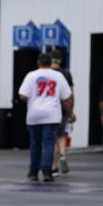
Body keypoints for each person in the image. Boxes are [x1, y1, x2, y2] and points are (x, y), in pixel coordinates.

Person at [18, 53, 73, 182]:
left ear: (38, 63)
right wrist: (70, 113)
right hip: (52, 114)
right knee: (49, 143)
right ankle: (47, 171)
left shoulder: (31, 75)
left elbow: (23, 96)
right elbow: (67, 98)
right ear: (50, 63)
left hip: (34, 114)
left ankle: (33, 172)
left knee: (35, 143)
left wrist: (34, 99)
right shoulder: (58, 76)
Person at [48, 49, 75, 176]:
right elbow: (70, 95)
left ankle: (53, 167)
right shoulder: (66, 74)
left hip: (48, 108)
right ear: (61, 60)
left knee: (52, 139)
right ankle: (63, 156)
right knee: (61, 136)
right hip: (62, 108)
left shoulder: (45, 74)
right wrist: (71, 112)